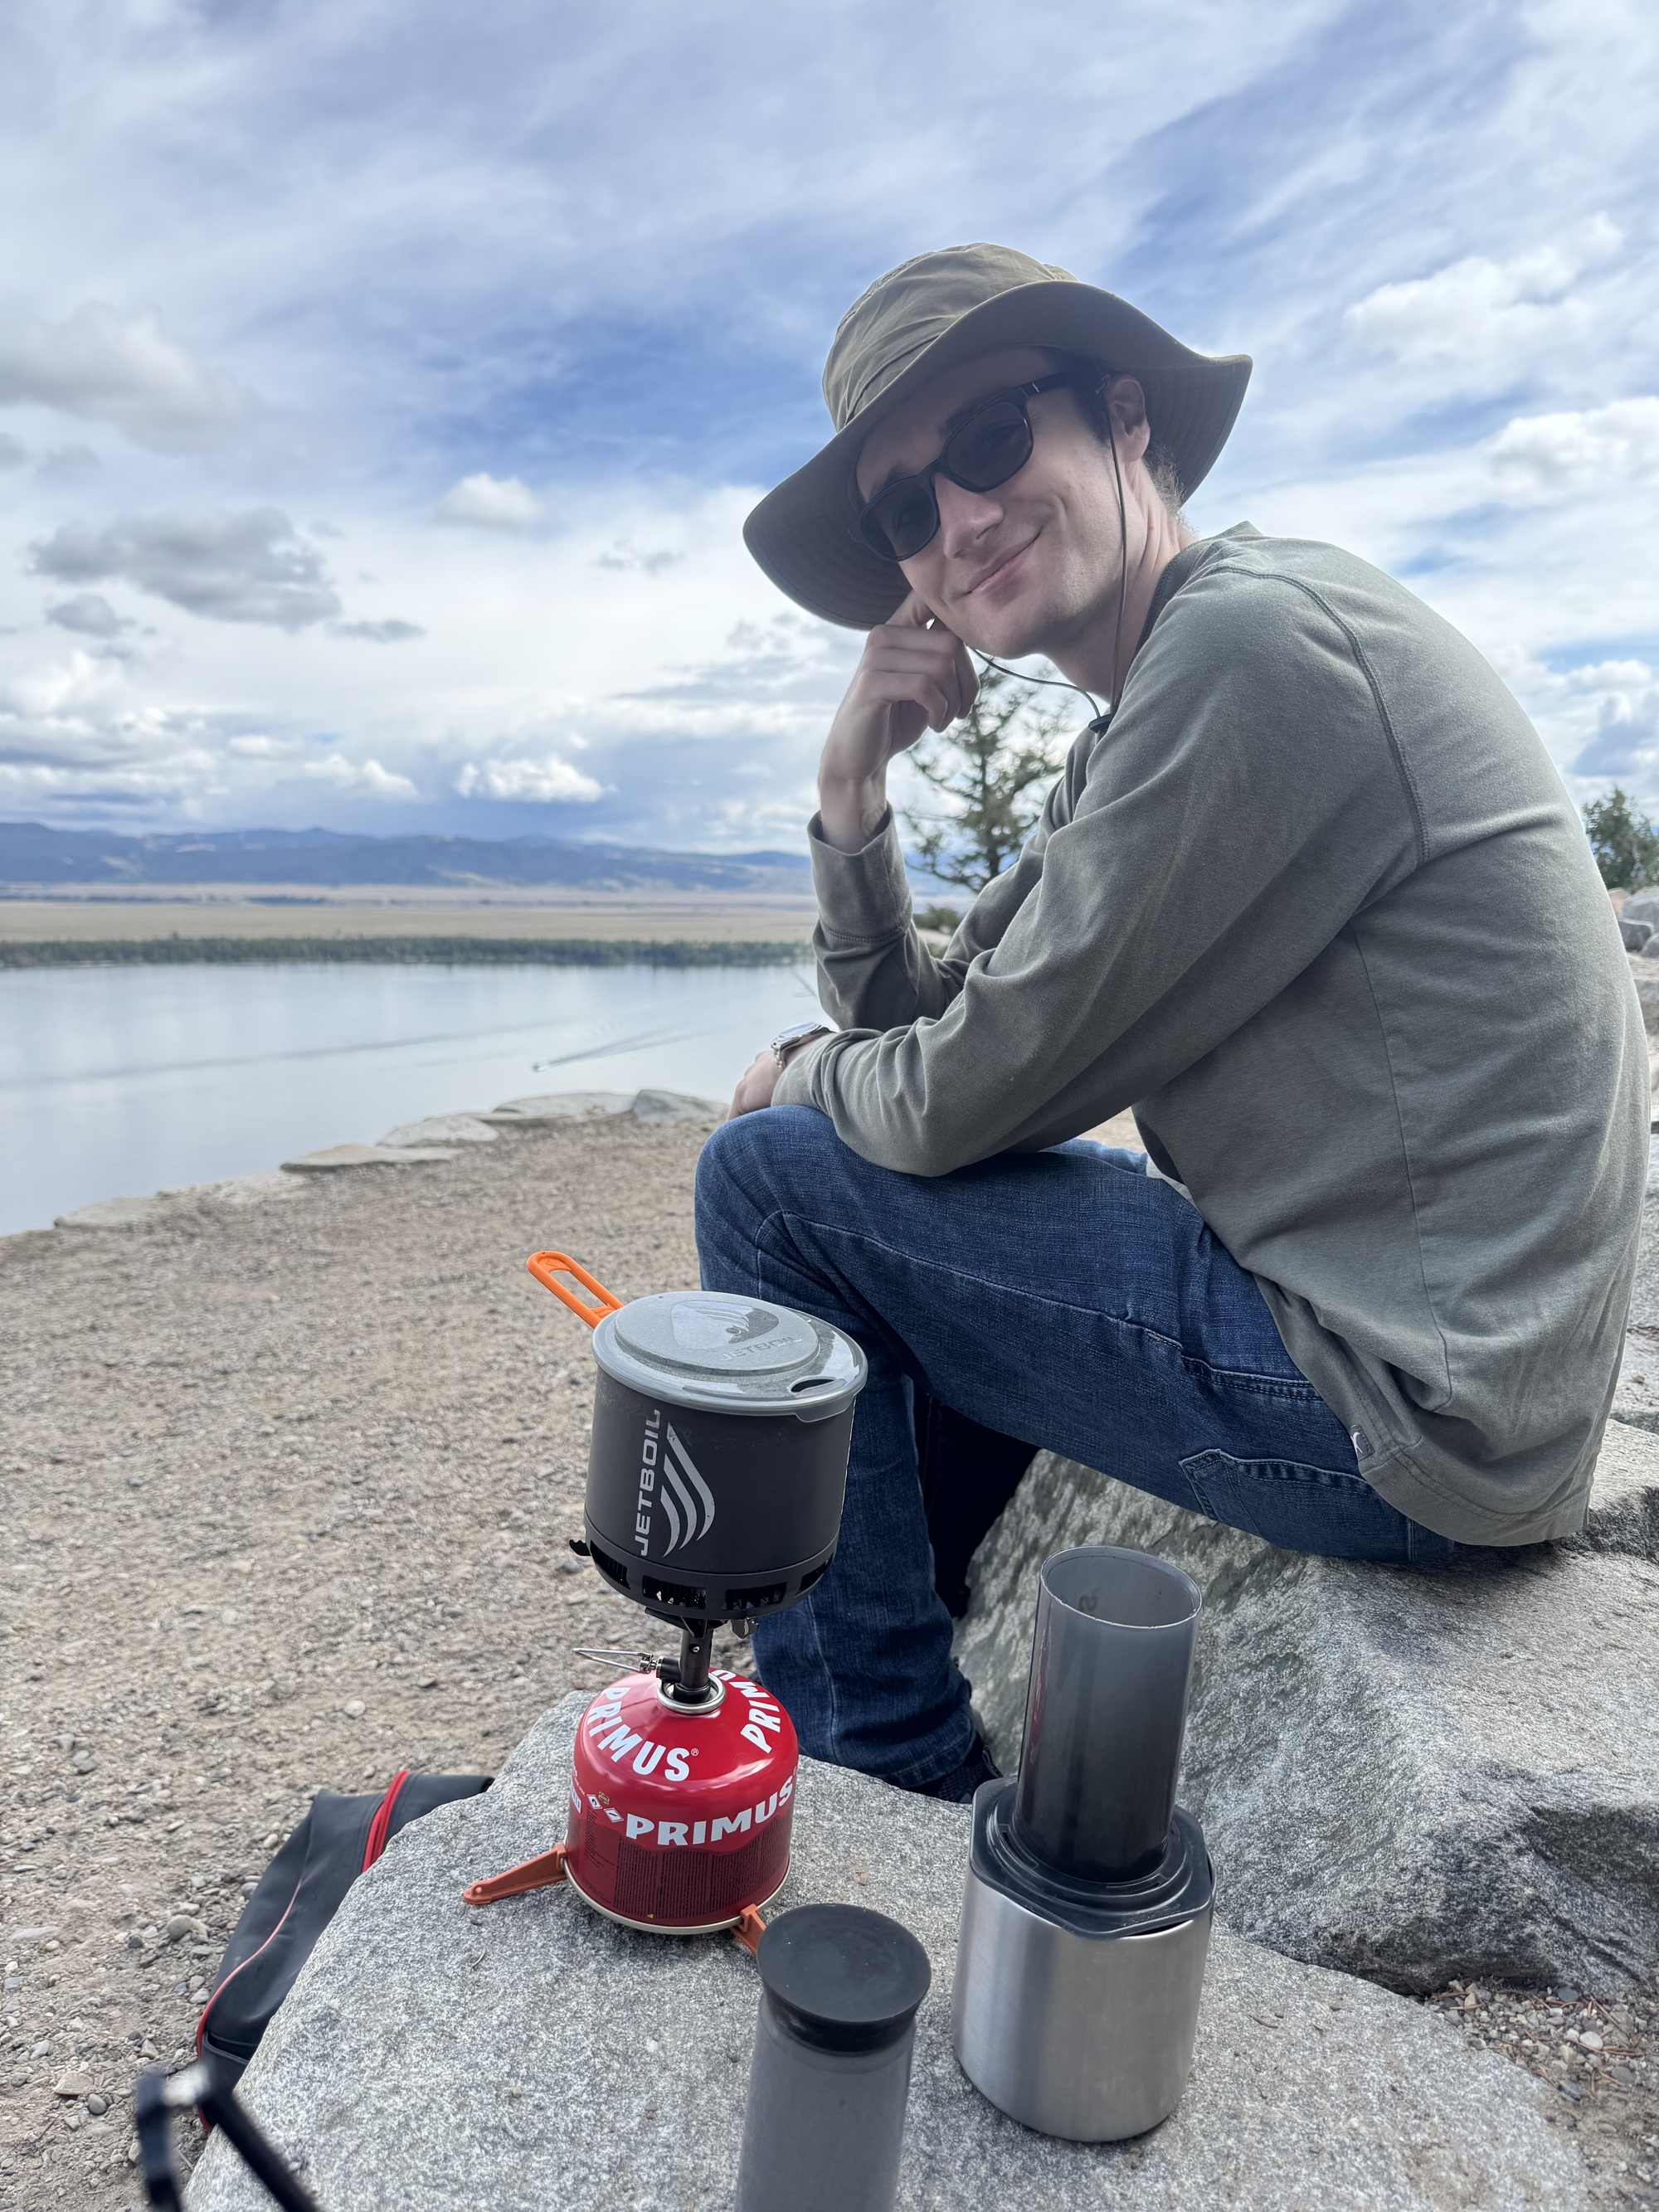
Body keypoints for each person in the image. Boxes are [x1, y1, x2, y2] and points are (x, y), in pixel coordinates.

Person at [697, 242, 1647, 1801]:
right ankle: (901, 1639)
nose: (957, 520)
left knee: (765, 1185)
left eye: (993, 441)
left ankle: (882, 1768)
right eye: (903, 509)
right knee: (851, 1176)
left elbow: (946, 1096)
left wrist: (801, 1077)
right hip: (1423, 1352)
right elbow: (942, 1031)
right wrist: (851, 796)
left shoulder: (1253, 651)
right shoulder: (1149, 714)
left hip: (1409, 1412)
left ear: (1125, 419)